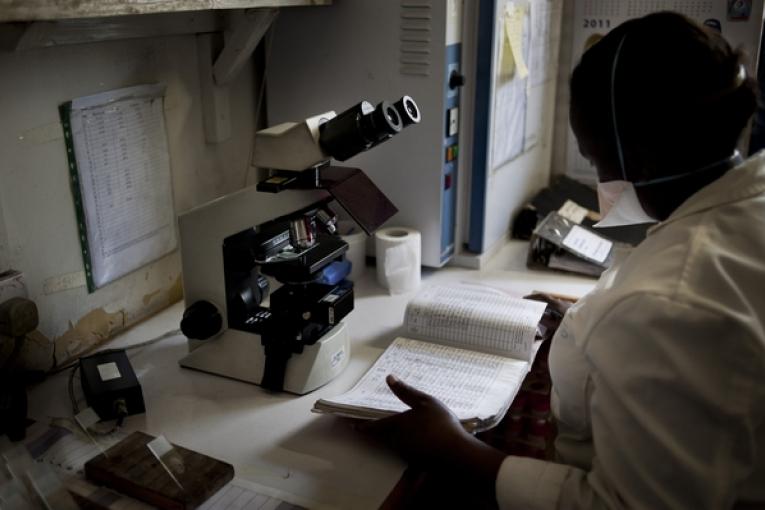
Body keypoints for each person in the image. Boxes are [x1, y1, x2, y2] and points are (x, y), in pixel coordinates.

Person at [363, 12, 765, 509]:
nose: (600, 179)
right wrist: (582, 317)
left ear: (638, 156)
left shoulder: (670, 305)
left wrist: (453, 450)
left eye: (596, 160)